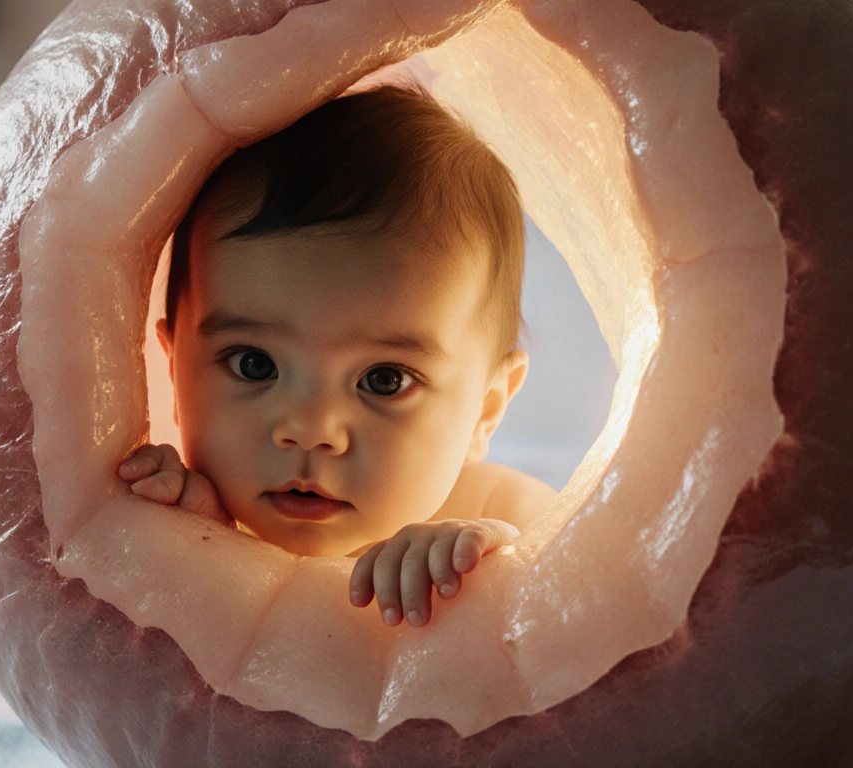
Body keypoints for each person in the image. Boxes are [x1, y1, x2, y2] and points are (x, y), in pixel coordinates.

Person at [117, 80, 555, 629]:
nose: (311, 429)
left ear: (485, 410)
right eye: (254, 364)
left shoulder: (497, 513)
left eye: (385, 380)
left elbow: (587, 596)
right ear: (176, 373)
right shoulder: (194, 511)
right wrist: (194, 544)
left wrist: (491, 571)